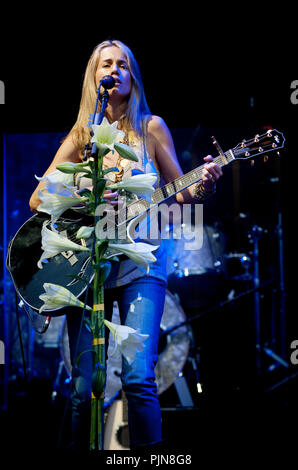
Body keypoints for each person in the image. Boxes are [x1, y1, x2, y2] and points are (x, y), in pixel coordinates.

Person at [29, 39, 223, 452]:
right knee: (84, 388)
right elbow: (38, 197)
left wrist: (203, 184)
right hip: (88, 270)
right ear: (94, 77)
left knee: (138, 377)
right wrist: (89, 195)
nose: (114, 70)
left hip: (142, 266)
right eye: (106, 64)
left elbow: (183, 194)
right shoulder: (83, 136)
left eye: (123, 64)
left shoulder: (151, 127)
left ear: (132, 78)